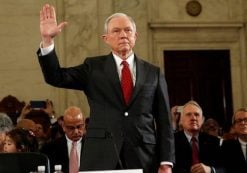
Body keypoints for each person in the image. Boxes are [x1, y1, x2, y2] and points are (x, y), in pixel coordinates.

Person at [37, 4, 174, 173]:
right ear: (106, 38)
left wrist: (166, 162)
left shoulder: (153, 73)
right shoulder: (92, 68)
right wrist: (47, 40)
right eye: (116, 31)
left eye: (128, 30)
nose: (123, 35)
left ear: (135, 36)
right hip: (101, 155)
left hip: (144, 156)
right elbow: (56, 77)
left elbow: (164, 122)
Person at [173, 101, 224, 173]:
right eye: (188, 114)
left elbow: (224, 168)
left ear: (202, 120)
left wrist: (211, 170)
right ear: (181, 120)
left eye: (197, 114)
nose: (193, 118)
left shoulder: (214, 141)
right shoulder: (172, 141)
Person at [40, 106, 86, 173]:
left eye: (79, 127)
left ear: (84, 125)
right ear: (63, 127)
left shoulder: (93, 146)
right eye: (71, 128)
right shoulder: (49, 148)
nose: (76, 131)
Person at [221, 107, 247, 173]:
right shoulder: (227, 146)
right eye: (239, 121)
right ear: (234, 127)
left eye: (246, 120)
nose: (243, 123)